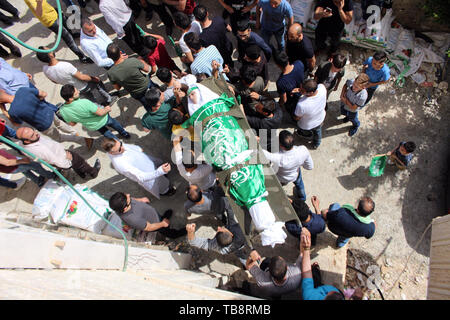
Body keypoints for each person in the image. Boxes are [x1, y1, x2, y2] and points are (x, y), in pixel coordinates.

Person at [1, 87, 93, 148]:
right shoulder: (22, 91)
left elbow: (16, 123)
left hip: (44, 125)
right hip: (49, 112)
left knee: (59, 138)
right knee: (60, 124)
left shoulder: (13, 111)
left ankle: (83, 140)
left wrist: (5, 112)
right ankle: (74, 133)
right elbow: (43, 94)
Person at [36, 46, 114, 106]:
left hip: (75, 90)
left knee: (90, 99)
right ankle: (109, 99)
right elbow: (82, 77)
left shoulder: (45, 70)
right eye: (49, 49)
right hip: (84, 85)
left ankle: (99, 108)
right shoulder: (65, 65)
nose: (52, 49)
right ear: (50, 55)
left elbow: (54, 81)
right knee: (98, 83)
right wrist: (94, 79)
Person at [102, 138, 176, 199]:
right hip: (148, 174)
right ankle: (165, 191)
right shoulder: (120, 164)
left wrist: (138, 149)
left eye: (121, 144)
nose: (123, 148)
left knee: (160, 175)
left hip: (147, 163)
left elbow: (128, 147)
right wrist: (160, 172)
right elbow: (142, 177)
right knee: (159, 184)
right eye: (119, 149)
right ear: (111, 153)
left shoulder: (117, 146)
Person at [16, 127, 101, 179]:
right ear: (27, 141)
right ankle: (93, 173)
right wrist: (69, 161)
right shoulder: (39, 150)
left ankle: (82, 174)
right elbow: (54, 160)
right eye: (32, 135)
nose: (36, 134)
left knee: (77, 166)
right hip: (64, 159)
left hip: (60, 154)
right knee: (81, 163)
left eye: (34, 131)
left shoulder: (22, 144)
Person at [24, 0, 92, 63]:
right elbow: (38, 13)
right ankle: (82, 57)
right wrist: (39, 2)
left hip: (54, 12)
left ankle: (72, 34)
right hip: (51, 21)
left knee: (66, 23)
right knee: (68, 39)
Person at [109, 192, 186, 244]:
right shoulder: (134, 219)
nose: (128, 195)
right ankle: (178, 233)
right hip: (155, 223)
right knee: (167, 231)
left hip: (152, 214)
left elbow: (131, 199)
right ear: (125, 208)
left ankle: (163, 218)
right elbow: (149, 227)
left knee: (161, 217)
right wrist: (162, 224)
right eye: (127, 197)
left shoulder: (121, 204)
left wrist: (140, 200)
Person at [59, 84, 130, 140]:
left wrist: (79, 118)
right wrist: (107, 109)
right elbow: (101, 113)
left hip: (93, 126)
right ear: (70, 98)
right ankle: (124, 133)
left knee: (106, 132)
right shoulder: (84, 102)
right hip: (104, 119)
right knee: (114, 123)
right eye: (76, 93)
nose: (79, 91)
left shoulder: (63, 111)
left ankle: (116, 142)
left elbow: (72, 123)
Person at [263, 130, 313, 200]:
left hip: (282, 178)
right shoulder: (303, 150)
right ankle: (303, 198)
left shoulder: (279, 157)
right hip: (296, 174)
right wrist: (300, 164)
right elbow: (310, 167)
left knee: (278, 185)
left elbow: (264, 154)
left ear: (281, 146)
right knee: (299, 184)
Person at [106, 43, 155, 109]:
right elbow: (147, 69)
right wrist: (140, 60)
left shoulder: (111, 73)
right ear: (120, 52)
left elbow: (117, 88)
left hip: (136, 93)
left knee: (149, 106)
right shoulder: (133, 61)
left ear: (109, 57)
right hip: (147, 84)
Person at [300, 228, 345, 300]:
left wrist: (306, 249)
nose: (328, 292)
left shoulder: (310, 296)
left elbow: (307, 273)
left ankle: (315, 271)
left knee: (314, 279)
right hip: (320, 288)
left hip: (317, 290)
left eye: (327, 293)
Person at [294, 79, 327, 149]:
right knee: (318, 133)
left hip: (308, 124)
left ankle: (306, 135)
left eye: (302, 91)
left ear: (311, 92)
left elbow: (297, 118)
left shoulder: (302, 104)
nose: (300, 90)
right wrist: (301, 90)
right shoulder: (322, 88)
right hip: (320, 118)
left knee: (305, 130)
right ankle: (317, 143)